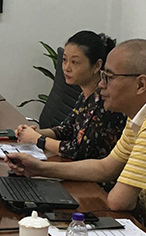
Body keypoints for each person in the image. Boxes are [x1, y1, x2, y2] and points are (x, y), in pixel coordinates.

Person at [6, 39, 146, 236]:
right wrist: (38, 168)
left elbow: (119, 201)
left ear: (141, 84)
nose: (101, 84)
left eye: (109, 77)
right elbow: (105, 168)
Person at [14, 30, 126, 161]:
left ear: (97, 66)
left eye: (74, 62)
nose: (66, 68)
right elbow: (66, 129)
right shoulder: (85, 94)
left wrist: (37, 139)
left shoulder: (105, 101)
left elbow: (78, 151)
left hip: (93, 172)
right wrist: (33, 132)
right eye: (64, 60)